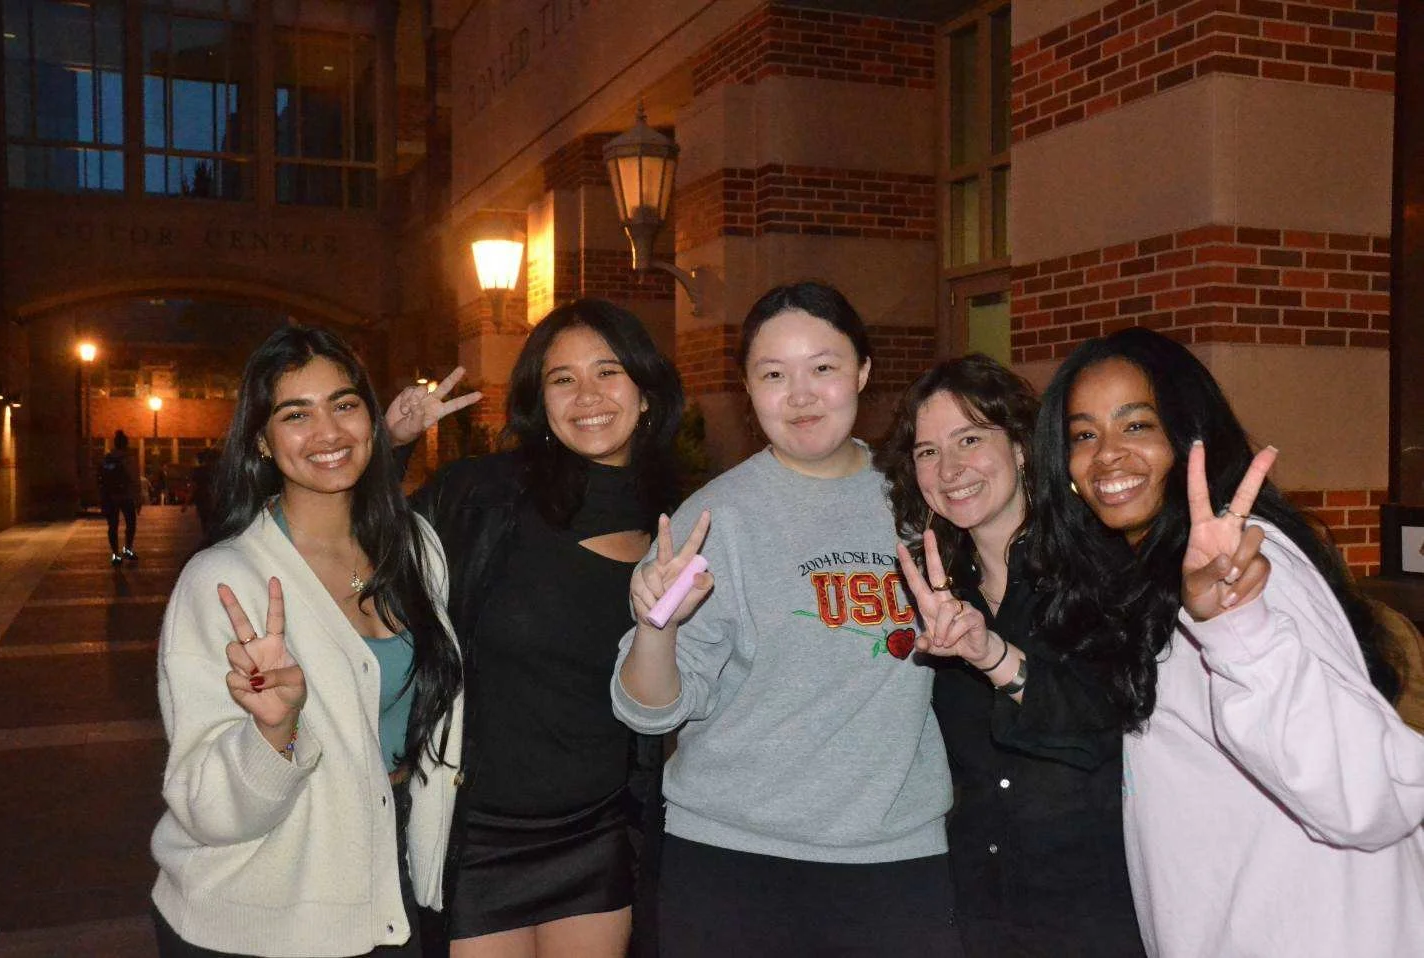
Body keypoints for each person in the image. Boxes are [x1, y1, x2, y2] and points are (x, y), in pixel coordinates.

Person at [1028, 327, 1424, 957]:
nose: (1106, 455)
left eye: (1137, 426)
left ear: (1189, 438)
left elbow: (1374, 797)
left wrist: (1239, 628)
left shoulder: (1249, 568)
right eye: (1083, 434)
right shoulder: (1150, 580)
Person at [611, 281, 961, 958]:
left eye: (823, 368)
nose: (800, 396)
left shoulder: (925, 498)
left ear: (862, 371)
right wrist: (658, 627)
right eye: (774, 375)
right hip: (735, 864)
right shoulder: (718, 518)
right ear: (748, 389)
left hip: (898, 858)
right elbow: (648, 713)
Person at [150, 326, 467, 957]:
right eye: (297, 414)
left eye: (345, 405)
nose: (328, 432)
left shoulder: (416, 550)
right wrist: (273, 733)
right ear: (263, 442)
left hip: (386, 891)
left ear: (372, 423)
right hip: (253, 918)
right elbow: (206, 807)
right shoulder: (222, 583)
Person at [385, 299, 680, 958]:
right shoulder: (483, 495)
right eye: (562, 379)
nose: (588, 396)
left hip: (600, 833)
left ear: (646, 392)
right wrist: (391, 443)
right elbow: (361, 552)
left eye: (609, 372)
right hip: (481, 834)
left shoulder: (682, 521)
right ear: (539, 400)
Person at [878, 355, 1143, 957]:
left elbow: (1105, 729)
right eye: (926, 452)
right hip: (975, 911)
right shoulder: (932, 594)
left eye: (969, 438)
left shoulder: (1105, 565)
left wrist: (992, 653)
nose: (949, 468)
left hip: (1097, 911)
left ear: (1021, 447)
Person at [99, 429, 139, 566]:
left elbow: (101, 479)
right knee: (131, 524)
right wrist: (137, 498)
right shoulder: (129, 459)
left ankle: (115, 554)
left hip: (110, 497)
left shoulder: (107, 458)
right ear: (126, 444)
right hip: (126, 496)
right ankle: (127, 549)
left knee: (112, 526)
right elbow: (134, 479)